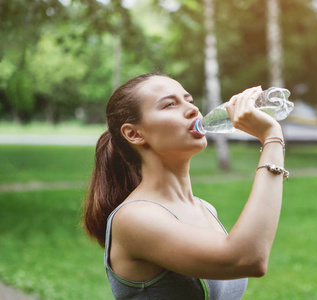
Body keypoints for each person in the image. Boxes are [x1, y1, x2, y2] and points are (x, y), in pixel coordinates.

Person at [83, 73, 288, 300]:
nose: (193, 110)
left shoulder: (205, 209)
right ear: (134, 134)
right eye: (170, 104)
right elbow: (247, 258)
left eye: (189, 101)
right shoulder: (134, 218)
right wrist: (271, 138)